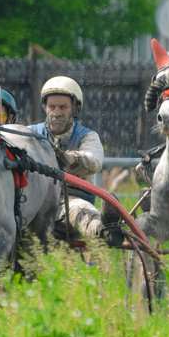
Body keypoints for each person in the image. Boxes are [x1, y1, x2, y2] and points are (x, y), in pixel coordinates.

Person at [29, 76, 120, 244]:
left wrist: (68, 158)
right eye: (52, 107)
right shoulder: (29, 133)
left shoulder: (88, 136)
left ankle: (105, 230)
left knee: (80, 211)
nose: (56, 112)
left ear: (75, 109)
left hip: (70, 200)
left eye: (63, 107)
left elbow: (94, 161)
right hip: (34, 201)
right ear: (45, 108)